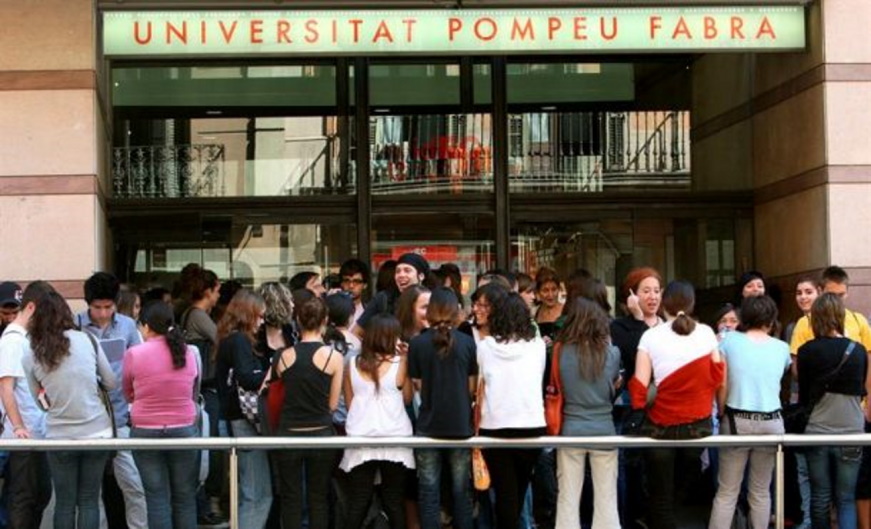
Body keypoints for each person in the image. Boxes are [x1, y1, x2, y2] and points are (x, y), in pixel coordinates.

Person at [629, 280, 725, 529]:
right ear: (692, 304)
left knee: (660, 495)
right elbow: (717, 376)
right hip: (699, 428)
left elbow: (639, 387)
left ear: (664, 303)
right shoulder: (705, 333)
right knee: (677, 494)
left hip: (660, 428)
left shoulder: (650, 336)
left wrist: (641, 406)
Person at [23, 290, 117, 529]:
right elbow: (111, 382)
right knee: (89, 500)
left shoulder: (31, 350)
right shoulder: (87, 340)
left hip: (59, 435)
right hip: (97, 433)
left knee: (64, 502)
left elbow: (39, 401)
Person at [708, 296, 791, 529]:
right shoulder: (782, 348)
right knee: (761, 491)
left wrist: (722, 410)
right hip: (772, 422)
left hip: (736, 420)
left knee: (727, 492)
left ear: (744, 318)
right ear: (772, 320)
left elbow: (722, 384)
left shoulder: (729, 341)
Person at [77, 272, 146, 529]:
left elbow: (140, 365)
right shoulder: (75, 325)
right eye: (97, 308)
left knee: (134, 485)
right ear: (88, 305)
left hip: (121, 415)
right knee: (91, 491)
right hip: (88, 418)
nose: (103, 314)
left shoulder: (129, 326)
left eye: (108, 307)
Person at [123, 300, 200, 529]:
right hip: (184, 428)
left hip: (145, 430)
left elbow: (127, 392)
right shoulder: (189, 352)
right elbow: (193, 391)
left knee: (156, 498)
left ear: (146, 326)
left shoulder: (135, 353)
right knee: (185, 496)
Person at [798, 293, 871, 529]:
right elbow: (861, 389)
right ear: (840, 316)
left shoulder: (807, 351)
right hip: (851, 431)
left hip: (817, 430)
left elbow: (805, 394)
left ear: (815, 318)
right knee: (846, 498)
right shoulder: (858, 351)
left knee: (820, 496)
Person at [271, 295, 344, 529]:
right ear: (325, 320)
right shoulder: (334, 357)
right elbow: (333, 405)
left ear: (297, 321)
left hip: (288, 433)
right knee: (318, 497)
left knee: (291, 498)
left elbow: (273, 392)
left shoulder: (282, 356)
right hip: (321, 433)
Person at [409, 287, 478, 529]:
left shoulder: (417, 344)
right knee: (461, 491)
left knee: (429, 491)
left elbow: (417, 385)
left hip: (428, 426)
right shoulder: (468, 343)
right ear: (455, 311)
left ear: (430, 312)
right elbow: (472, 388)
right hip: (461, 426)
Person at [477, 292, 547, 529]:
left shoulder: (486, 347)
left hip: (495, 426)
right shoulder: (537, 346)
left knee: (505, 492)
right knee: (521, 486)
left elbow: (481, 381)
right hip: (531, 424)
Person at [340, 314, 414, 529]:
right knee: (393, 501)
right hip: (395, 436)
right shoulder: (400, 362)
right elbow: (408, 398)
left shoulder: (353, 363)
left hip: (360, 437)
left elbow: (349, 399)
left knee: (358, 501)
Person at [554, 297, 621, 529]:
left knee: (568, 499)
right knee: (606, 500)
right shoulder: (612, 354)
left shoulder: (560, 352)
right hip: (604, 429)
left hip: (571, 429)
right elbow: (614, 383)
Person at [609, 267, 662, 529]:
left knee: (657, 467)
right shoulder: (619, 326)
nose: (652, 296)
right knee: (630, 467)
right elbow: (633, 356)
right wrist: (639, 319)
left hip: (664, 404)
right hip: (632, 404)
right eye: (645, 291)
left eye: (656, 290)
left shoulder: (670, 325)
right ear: (631, 295)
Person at [215, 289, 272, 529]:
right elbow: (247, 378)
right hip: (243, 422)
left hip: (233, 419)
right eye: (259, 317)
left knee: (248, 490)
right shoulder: (239, 340)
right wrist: (272, 372)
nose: (261, 323)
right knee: (258, 495)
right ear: (248, 315)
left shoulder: (228, 338)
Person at [0, 281, 54, 529]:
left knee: (39, 493)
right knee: (23, 496)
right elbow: (5, 387)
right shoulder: (12, 340)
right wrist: (19, 426)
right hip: (23, 436)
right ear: (31, 308)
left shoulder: (25, 338)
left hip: (36, 432)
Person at [790, 266, 871, 357]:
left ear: (847, 293)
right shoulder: (805, 322)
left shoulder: (858, 320)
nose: (836, 300)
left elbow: (869, 355)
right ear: (820, 291)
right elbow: (796, 360)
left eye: (841, 295)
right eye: (831, 295)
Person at [357, 253, 431, 337]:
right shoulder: (383, 299)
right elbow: (357, 332)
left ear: (421, 276)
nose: (401, 275)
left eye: (407, 270)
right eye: (398, 271)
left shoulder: (433, 299)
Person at [534, 268, 564, 345]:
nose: (550, 295)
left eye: (554, 289)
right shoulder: (534, 313)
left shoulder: (567, 311)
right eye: (545, 290)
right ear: (538, 292)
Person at [340, 258, 371, 328]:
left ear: (365, 285)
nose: (351, 286)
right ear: (341, 283)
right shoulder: (333, 312)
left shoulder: (369, 312)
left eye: (356, 281)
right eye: (347, 281)